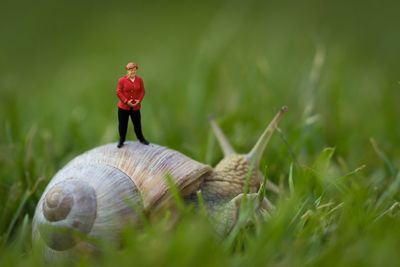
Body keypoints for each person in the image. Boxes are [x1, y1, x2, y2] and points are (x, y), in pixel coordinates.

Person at [116, 62, 149, 148]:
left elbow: (142, 91)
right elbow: (118, 92)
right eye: (130, 70)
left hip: (135, 106)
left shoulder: (139, 80)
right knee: (123, 124)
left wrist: (139, 100)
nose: (132, 71)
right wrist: (126, 101)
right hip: (124, 107)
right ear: (127, 71)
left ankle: (141, 138)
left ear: (136, 70)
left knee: (137, 124)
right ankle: (121, 140)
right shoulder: (122, 80)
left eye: (134, 69)